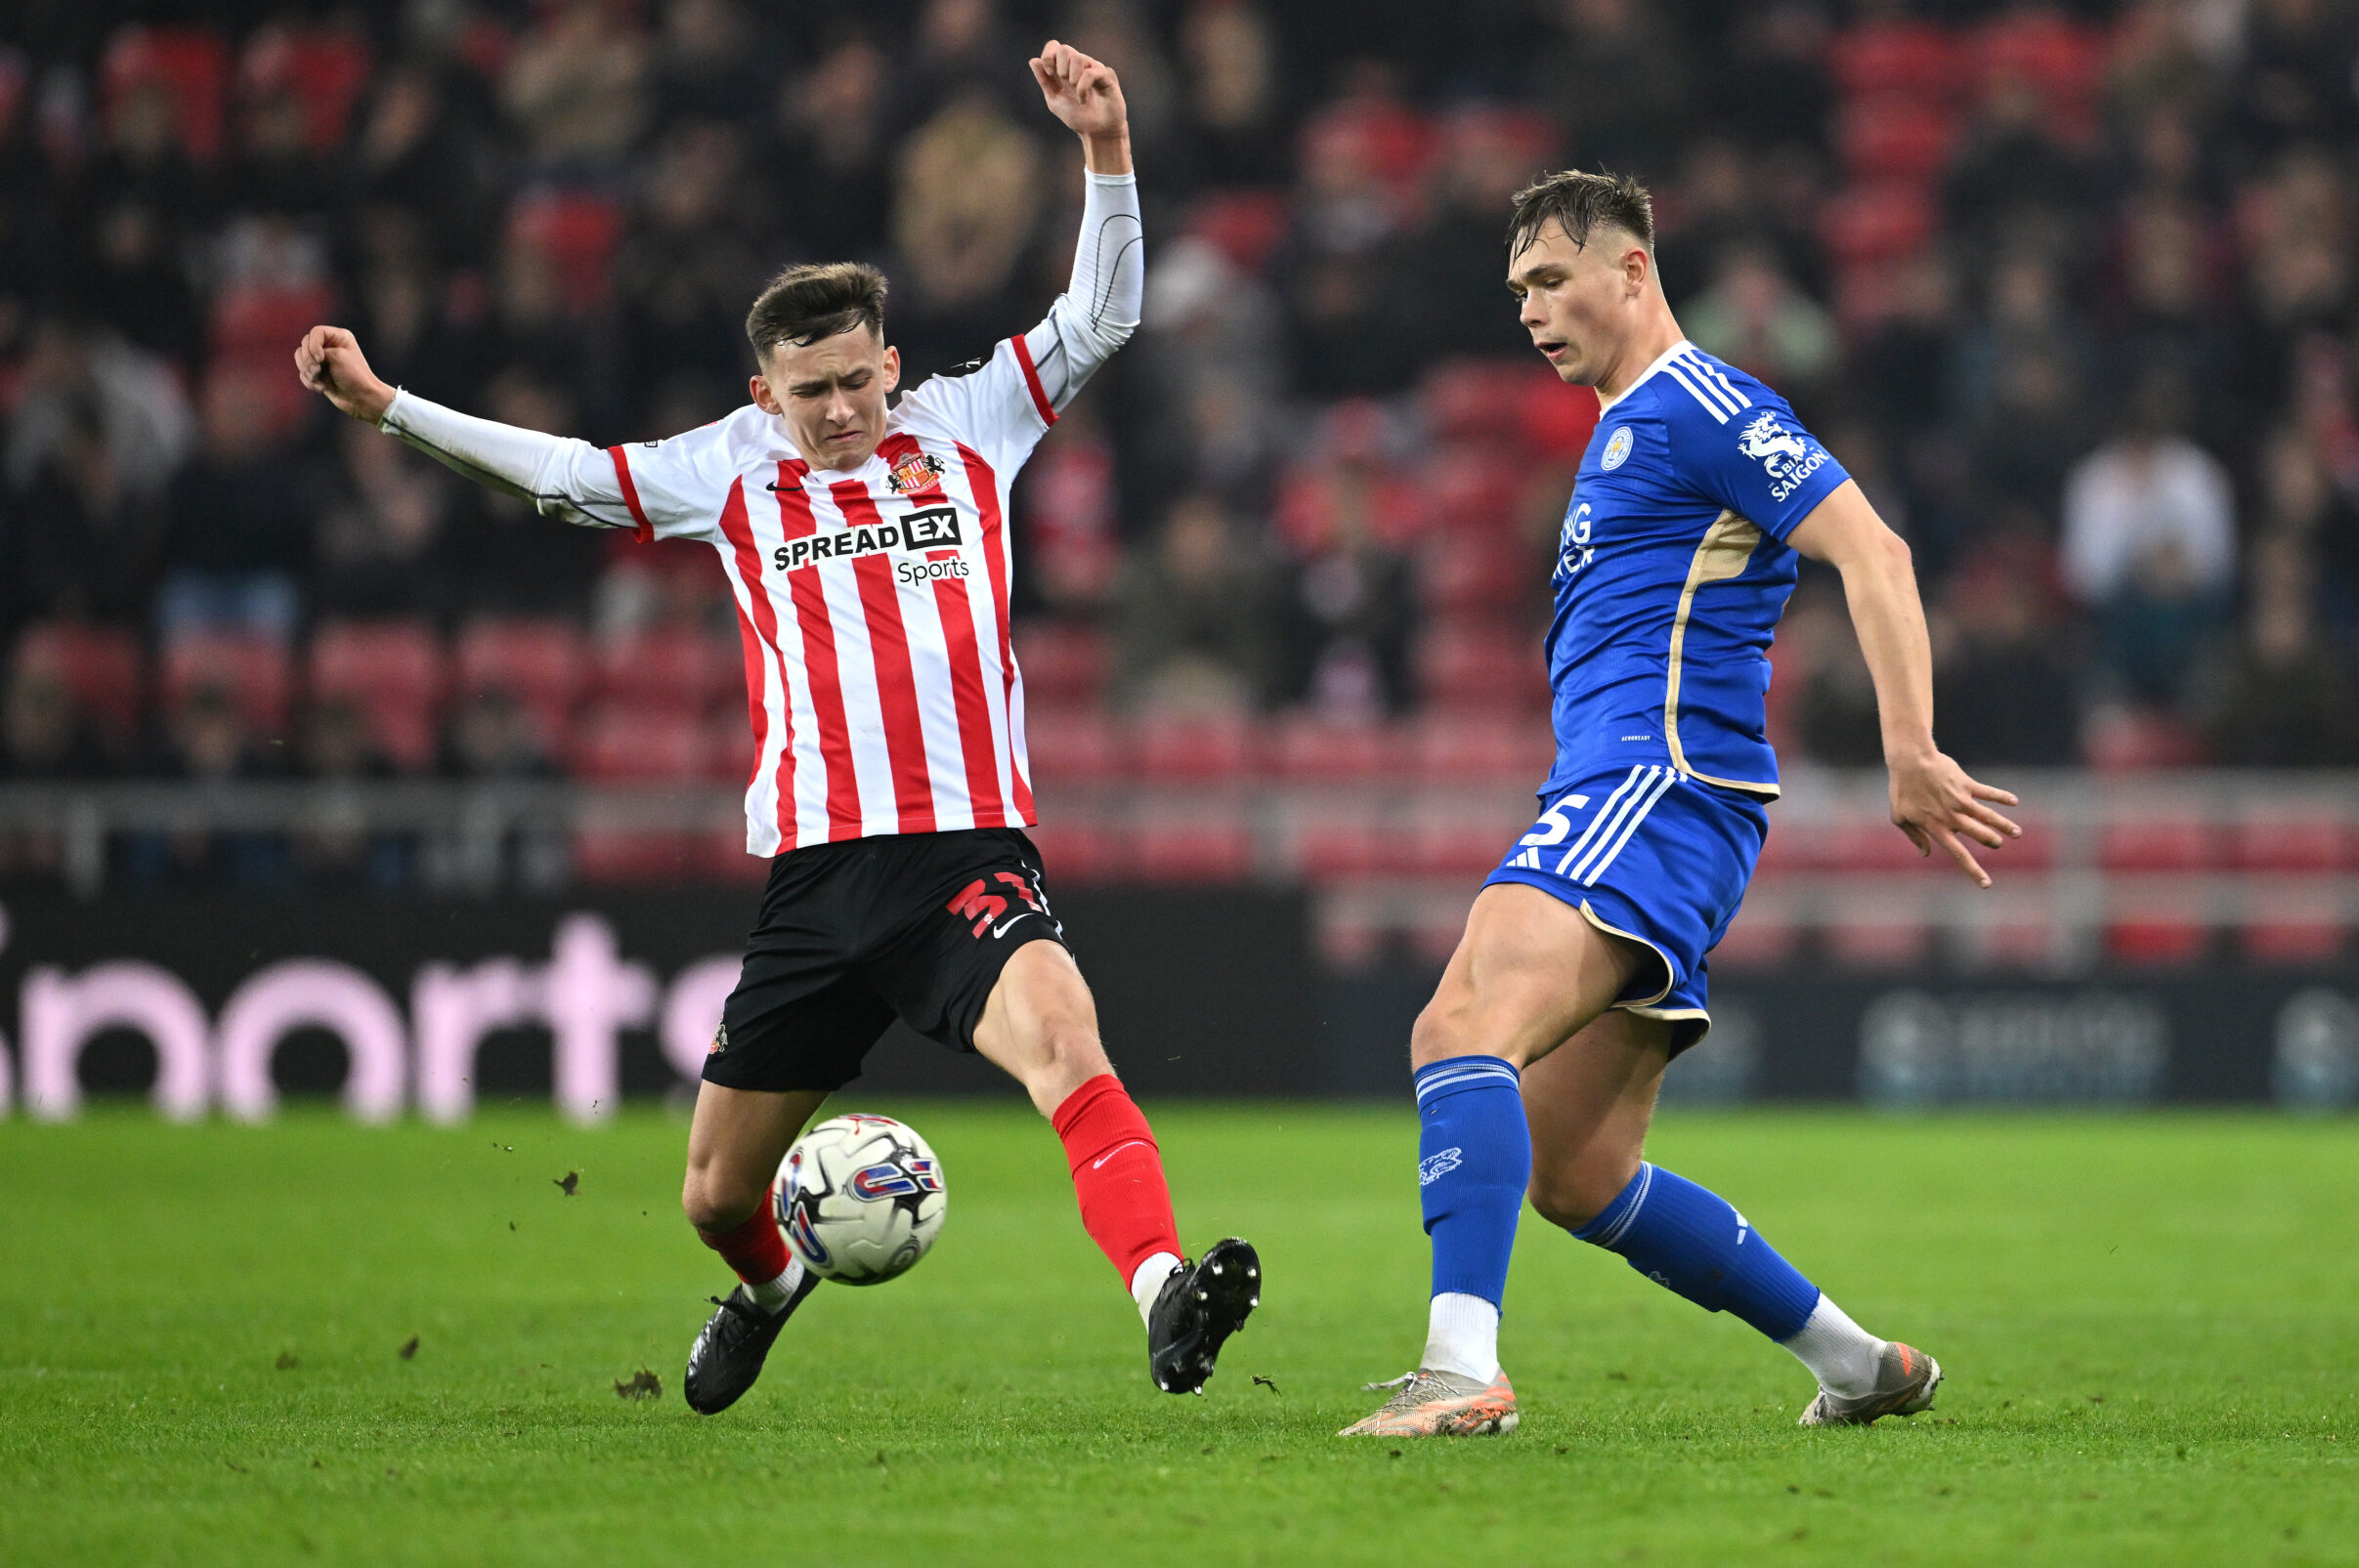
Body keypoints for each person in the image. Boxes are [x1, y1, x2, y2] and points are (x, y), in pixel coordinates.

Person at [295, 42, 1259, 1416]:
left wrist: (1107, 155)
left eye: (861, 380)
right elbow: (562, 479)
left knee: (1068, 1044)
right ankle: (768, 1285)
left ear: (892, 365)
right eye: (813, 392)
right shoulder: (728, 474)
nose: (844, 410)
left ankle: (1165, 1293)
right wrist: (390, 410)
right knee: (712, 1193)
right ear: (768, 396)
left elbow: (1099, 317)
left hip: (963, 853)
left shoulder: (971, 429)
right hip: (815, 882)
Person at [1342, 171, 2020, 1439]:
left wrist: (1911, 746)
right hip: (1656, 805)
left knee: (1459, 1025)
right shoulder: (1615, 428)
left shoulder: (1700, 404)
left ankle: (1458, 1368)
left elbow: (1874, 548)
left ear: (1635, 269)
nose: (1533, 311)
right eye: (1518, 292)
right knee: (1577, 1173)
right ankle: (1858, 1360)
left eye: (1553, 279)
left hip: (1653, 791)